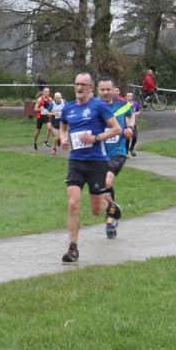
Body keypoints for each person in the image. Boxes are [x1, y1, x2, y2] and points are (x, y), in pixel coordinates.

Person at [58, 73, 122, 263]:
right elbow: (63, 127)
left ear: (90, 88)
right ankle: (73, 248)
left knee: (96, 210)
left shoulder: (99, 106)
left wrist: (95, 138)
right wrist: (63, 139)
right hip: (76, 161)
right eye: (77, 84)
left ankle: (110, 205)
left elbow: (116, 128)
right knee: (73, 202)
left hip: (96, 162)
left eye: (83, 85)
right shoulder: (68, 108)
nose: (79, 88)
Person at [98, 78, 133, 239]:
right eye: (102, 89)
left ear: (114, 90)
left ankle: (111, 218)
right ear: (98, 90)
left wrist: (129, 128)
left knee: (107, 180)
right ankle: (113, 210)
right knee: (101, 188)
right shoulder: (94, 106)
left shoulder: (123, 104)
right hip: (99, 154)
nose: (105, 92)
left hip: (118, 152)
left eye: (108, 89)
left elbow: (131, 116)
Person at [125, 92, 141, 156]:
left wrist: (136, 114)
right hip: (126, 123)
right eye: (128, 96)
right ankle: (126, 152)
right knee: (127, 138)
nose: (129, 97)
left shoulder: (135, 104)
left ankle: (131, 148)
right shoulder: (124, 104)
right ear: (126, 97)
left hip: (133, 123)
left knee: (135, 137)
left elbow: (138, 110)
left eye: (131, 96)